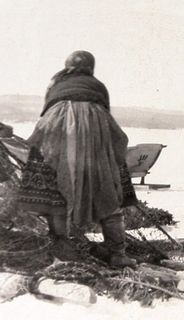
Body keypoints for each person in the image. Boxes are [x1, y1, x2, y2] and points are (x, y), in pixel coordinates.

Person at [17, 50, 137, 267]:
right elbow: (109, 118)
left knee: (54, 189)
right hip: (97, 127)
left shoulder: (56, 83)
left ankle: (62, 247)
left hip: (59, 126)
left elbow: (46, 113)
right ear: (91, 67)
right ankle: (117, 253)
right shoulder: (97, 85)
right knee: (108, 187)